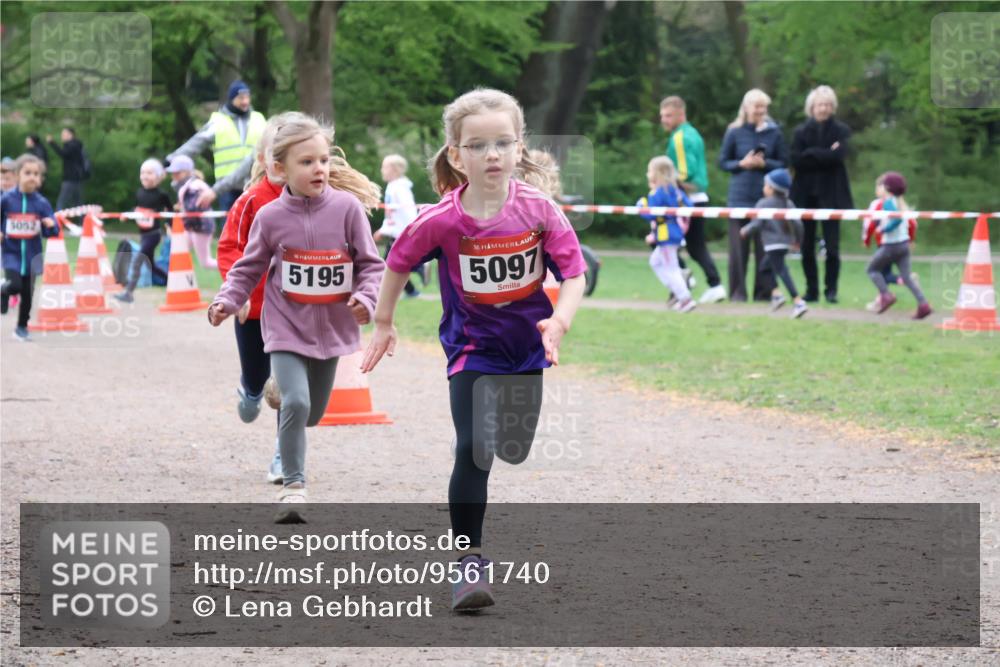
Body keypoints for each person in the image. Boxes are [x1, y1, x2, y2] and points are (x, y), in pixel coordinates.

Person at [360, 88, 587, 612]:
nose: (492, 154)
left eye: (502, 143)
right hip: (471, 349)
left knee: (513, 448)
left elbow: (574, 273)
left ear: (518, 148)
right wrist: (384, 323)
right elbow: (397, 262)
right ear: (456, 155)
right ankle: (468, 565)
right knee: (474, 448)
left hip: (528, 349)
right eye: (478, 145)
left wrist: (560, 320)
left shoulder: (538, 209)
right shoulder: (442, 219)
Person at [207, 114, 384, 521]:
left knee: (313, 412)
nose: (318, 169)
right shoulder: (269, 216)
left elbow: (372, 266)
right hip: (284, 326)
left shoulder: (347, 209)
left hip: (332, 329)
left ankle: (281, 396)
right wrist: (227, 300)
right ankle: (293, 487)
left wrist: (366, 299)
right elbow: (248, 268)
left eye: (323, 160)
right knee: (298, 402)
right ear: (280, 168)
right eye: (306, 162)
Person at [217, 111, 307, 484]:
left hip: (294, 312)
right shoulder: (251, 201)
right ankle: (249, 389)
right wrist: (237, 294)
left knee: (288, 389)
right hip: (253, 311)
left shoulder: (314, 200)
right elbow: (228, 248)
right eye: (277, 154)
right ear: (264, 159)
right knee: (258, 380)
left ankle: (283, 458)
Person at [719, 89, 788, 302]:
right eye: (757, 106)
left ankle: (763, 293)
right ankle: (738, 293)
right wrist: (742, 163)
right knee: (738, 249)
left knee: (764, 247)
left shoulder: (775, 133)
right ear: (746, 107)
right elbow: (723, 162)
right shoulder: (734, 132)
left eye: (763, 107)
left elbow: (784, 162)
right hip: (739, 196)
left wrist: (763, 164)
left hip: (765, 198)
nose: (760, 111)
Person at [790, 85, 854, 303]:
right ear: (812, 107)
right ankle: (812, 290)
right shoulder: (800, 132)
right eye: (820, 105)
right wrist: (826, 153)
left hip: (832, 195)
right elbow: (797, 160)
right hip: (806, 195)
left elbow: (839, 156)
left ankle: (831, 290)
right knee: (806, 246)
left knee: (832, 247)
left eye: (827, 105)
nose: (823, 109)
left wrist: (812, 153)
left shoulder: (841, 130)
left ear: (832, 107)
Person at [659, 96, 725, 303]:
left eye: (668, 115)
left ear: (681, 114)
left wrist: (663, 184)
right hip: (699, 196)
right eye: (662, 116)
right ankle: (715, 285)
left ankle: (683, 275)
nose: (664, 120)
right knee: (696, 246)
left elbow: (685, 171)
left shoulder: (679, 137)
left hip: (685, 200)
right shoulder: (693, 133)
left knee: (661, 239)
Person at [167, 80, 267, 212]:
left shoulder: (259, 118)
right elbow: (196, 144)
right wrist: (171, 160)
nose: (245, 102)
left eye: (247, 97)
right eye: (241, 98)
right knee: (229, 228)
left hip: (255, 182)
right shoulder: (218, 120)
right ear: (232, 99)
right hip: (226, 188)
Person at [1, 154, 59, 340]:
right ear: (17, 175)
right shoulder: (7, 199)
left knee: (28, 293)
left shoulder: (41, 203)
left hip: (33, 255)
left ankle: (21, 327)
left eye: (36, 174)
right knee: (16, 285)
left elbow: (52, 230)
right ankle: (4, 288)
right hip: (12, 253)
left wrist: (52, 225)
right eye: (28, 173)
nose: (33, 177)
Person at [741, 168, 807, 318]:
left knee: (782, 271)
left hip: (772, 244)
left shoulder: (763, 203)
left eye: (765, 185)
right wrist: (798, 241)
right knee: (764, 269)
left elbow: (756, 224)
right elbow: (799, 225)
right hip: (785, 244)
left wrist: (745, 230)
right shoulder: (789, 203)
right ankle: (777, 295)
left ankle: (798, 301)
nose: (763, 188)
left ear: (771, 188)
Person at [865, 172, 932, 319]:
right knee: (907, 278)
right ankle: (924, 304)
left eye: (881, 185)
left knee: (871, 270)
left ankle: (886, 295)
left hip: (891, 246)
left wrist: (883, 229)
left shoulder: (888, 202)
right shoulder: (900, 202)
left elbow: (897, 220)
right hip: (904, 245)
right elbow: (909, 223)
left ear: (887, 188)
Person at [638, 156, 696, 313]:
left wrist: (641, 205)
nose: (647, 173)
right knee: (655, 262)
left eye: (650, 170)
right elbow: (690, 206)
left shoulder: (657, 192)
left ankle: (685, 298)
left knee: (671, 269)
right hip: (674, 233)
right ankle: (679, 290)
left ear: (657, 173)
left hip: (666, 235)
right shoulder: (676, 190)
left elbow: (649, 214)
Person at [113, 160, 173, 303]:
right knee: (151, 265)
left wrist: (170, 225)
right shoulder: (139, 192)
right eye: (143, 173)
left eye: (150, 173)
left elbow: (170, 211)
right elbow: (136, 209)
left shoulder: (161, 195)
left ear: (158, 177)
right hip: (143, 235)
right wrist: (126, 215)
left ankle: (128, 292)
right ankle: (172, 280)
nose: (145, 176)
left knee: (138, 259)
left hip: (154, 235)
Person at [374, 154, 422, 297]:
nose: (382, 170)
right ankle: (412, 290)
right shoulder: (392, 187)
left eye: (384, 167)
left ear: (394, 169)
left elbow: (409, 212)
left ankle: (418, 270)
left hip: (401, 234)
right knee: (393, 265)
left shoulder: (400, 189)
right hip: (395, 233)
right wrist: (384, 230)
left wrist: (411, 233)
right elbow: (391, 214)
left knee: (389, 265)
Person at [166, 155, 217, 269]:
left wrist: (181, 212)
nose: (173, 175)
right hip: (193, 227)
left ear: (186, 172)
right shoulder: (190, 184)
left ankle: (231, 266)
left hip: (200, 227)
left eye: (177, 172)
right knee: (179, 250)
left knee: (206, 263)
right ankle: (181, 281)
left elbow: (193, 208)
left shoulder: (193, 186)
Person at [47, 128, 86, 211]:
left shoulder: (72, 145)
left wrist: (52, 143)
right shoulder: (77, 145)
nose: (62, 136)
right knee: (78, 203)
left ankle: (58, 222)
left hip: (70, 177)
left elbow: (63, 153)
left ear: (70, 135)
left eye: (64, 134)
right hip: (77, 177)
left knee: (61, 202)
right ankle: (82, 222)